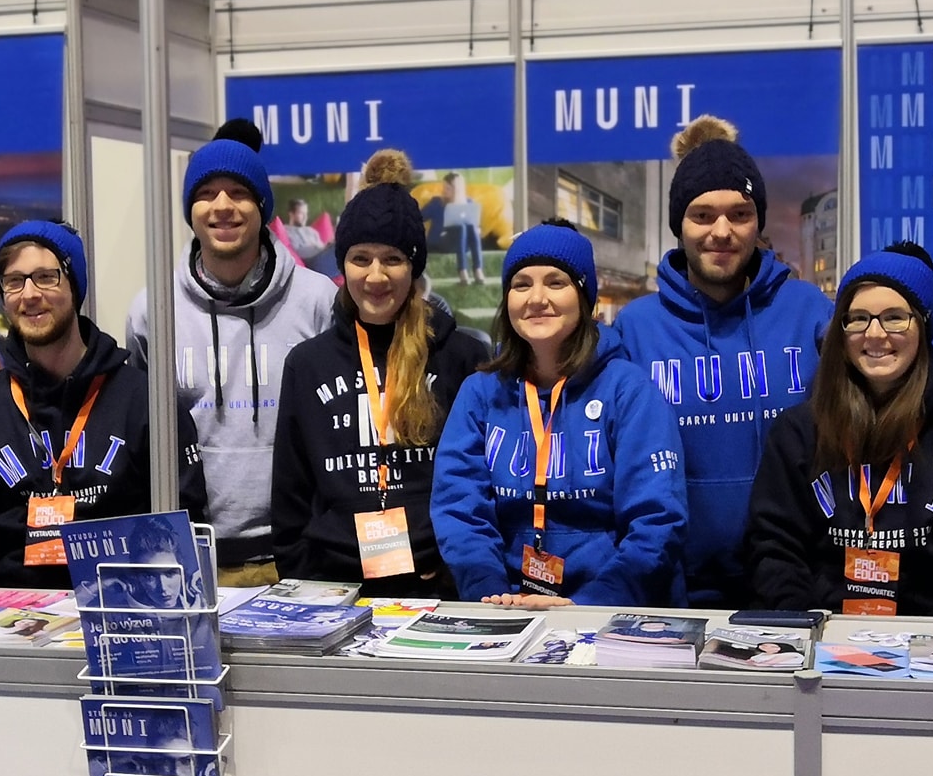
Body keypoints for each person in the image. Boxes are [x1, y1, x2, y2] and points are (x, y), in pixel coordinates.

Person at [615, 115, 833, 605]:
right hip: (674, 583)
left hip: (797, 577)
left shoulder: (810, 312)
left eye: (739, 213)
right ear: (679, 224)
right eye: (702, 215)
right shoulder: (637, 327)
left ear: (757, 221)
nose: (722, 231)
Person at [744, 243, 933, 617]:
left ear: (924, 326)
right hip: (825, 643)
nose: (874, 334)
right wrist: (810, 630)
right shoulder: (798, 432)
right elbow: (774, 549)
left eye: (895, 317)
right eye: (857, 318)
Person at [430, 219, 688, 606]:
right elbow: (459, 509)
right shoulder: (480, 393)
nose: (536, 298)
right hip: (507, 606)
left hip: (610, 610)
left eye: (556, 282)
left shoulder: (629, 391)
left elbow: (657, 521)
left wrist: (589, 607)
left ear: (585, 299)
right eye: (521, 284)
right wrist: (491, 594)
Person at [0, 220, 207, 588]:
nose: (29, 294)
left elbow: (183, 527)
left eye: (46, 277)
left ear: (75, 286)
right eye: (14, 281)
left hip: (124, 609)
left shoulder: (147, 404)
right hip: (13, 618)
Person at [127, 118, 333, 587]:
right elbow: (140, 433)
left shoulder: (317, 299)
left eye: (239, 192)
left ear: (262, 208)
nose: (223, 206)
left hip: (298, 559)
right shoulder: (151, 311)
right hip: (190, 563)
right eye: (207, 193)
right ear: (190, 210)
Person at [272, 150, 483, 595]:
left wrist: (452, 566)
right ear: (342, 264)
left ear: (414, 266)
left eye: (392, 259)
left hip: (434, 587)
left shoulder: (460, 357)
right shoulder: (307, 365)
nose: (375, 275)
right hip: (335, 586)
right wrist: (306, 577)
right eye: (360, 258)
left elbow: (479, 480)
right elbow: (290, 496)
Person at [423, 171, 485, 284]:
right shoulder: (437, 202)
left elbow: (476, 224)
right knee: (461, 228)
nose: (444, 190)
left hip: (462, 243)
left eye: (448, 188)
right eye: (444, 187)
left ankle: (478, 270)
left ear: (457, 189)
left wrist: (478, 229)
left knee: (471, 227)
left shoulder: (469, 203)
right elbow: (419, 217)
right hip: (441, 241)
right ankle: (463, 272)